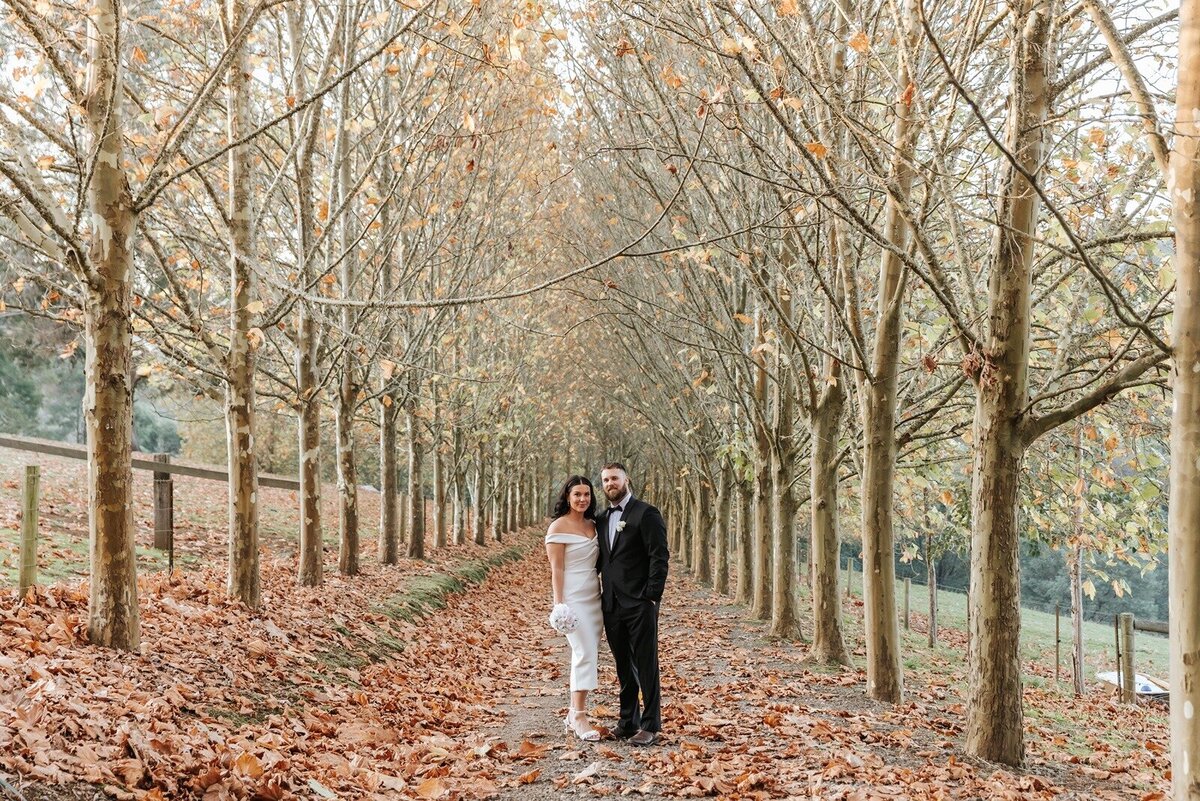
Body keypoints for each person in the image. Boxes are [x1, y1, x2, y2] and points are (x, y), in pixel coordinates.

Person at [597, 462, 669, 746]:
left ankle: (650, 725)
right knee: (623, 666)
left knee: (646, 663)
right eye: (605, 480)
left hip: (640, 602)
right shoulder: (602, 518)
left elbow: (659, 556)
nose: (610, 484)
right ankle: (628, 722)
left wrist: (652, 595)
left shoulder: (646, 513)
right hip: (612, 604)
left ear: (626, 480)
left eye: (614, 478)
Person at [544, 475, 603, 741]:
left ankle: (573, 713)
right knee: (584, 652)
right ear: (567, 496)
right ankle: (579, 716)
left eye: (586, 494)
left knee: (589, 652)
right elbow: (556, 569)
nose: (582, 499)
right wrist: (559, 605)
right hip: (573, 598)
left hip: (594, 596)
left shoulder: (594, 525)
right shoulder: (558, 527)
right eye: (577, 494)